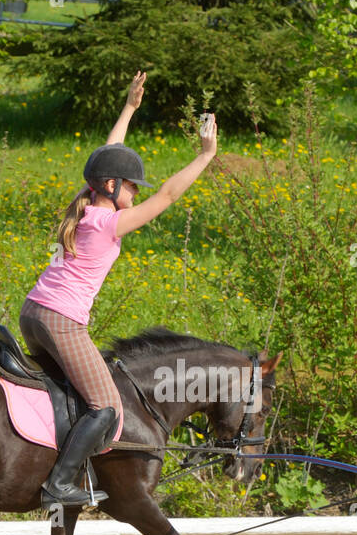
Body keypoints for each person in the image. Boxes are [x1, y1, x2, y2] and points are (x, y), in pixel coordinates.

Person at [20, 71, 219, 507]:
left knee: (77, 394)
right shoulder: (110, 222)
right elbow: (166, 196)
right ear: (111, 186)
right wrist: (205, 157)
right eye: (131, 184)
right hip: (61, 321)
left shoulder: (87, 205)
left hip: (33, 313)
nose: (135, 190)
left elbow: (108, 158)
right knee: (108, 406)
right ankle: (59, 484)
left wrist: (129, 108)